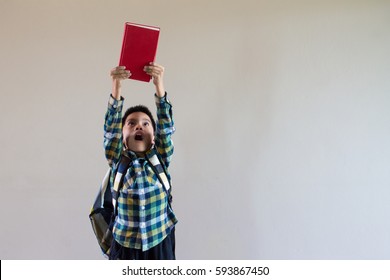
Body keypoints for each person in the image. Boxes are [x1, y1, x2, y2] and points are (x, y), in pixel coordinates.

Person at [104, 63, 178, 260]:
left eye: (145, 124)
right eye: (131, 123)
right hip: (125, 245)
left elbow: (167, 128)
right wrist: (116, 87)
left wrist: (159, 86)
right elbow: (110, 132)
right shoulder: (117, 160)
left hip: (159, 241)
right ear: (122, 135)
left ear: (154, 136)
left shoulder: (160, 158)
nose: (139, 127)